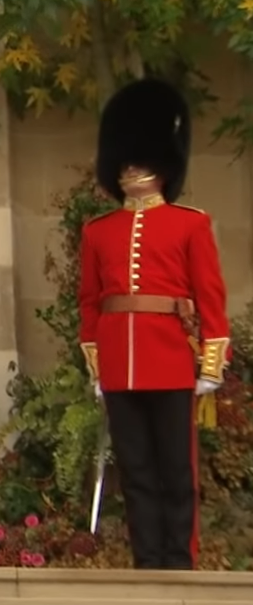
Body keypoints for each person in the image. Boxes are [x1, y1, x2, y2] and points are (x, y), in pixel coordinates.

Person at [80, 79, 230, 570]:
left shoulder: (190, 223)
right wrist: (97, 369)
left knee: (176, 470)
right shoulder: (98, 231)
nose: (129, 168)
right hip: (120, 366)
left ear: (161, 165)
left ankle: (178, 562)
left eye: (138, 159)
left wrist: (211, 361)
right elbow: (89, 305)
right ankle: (149, 564)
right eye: (124, 160)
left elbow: (210, 295)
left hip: (169, 360)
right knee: (136, 471)